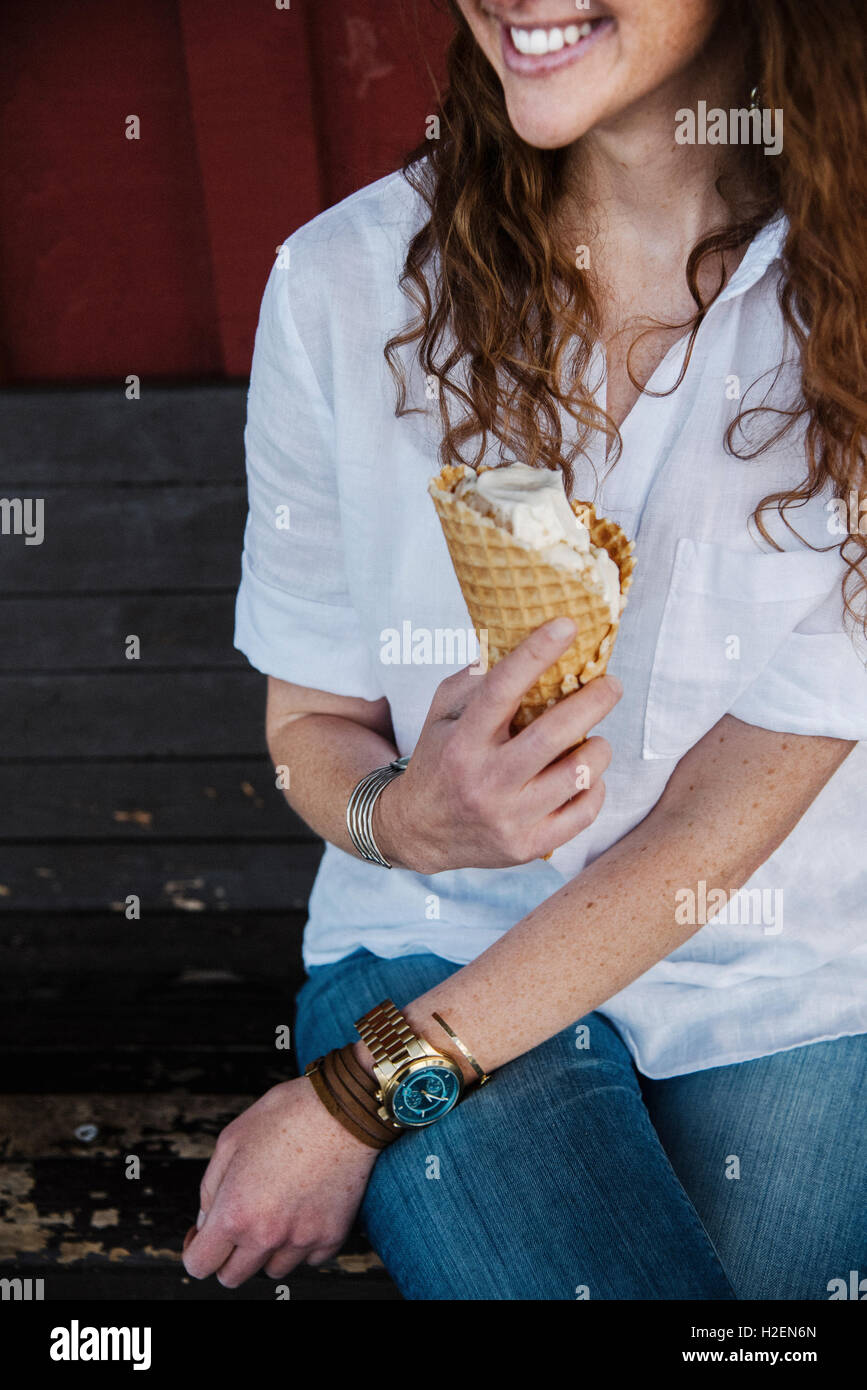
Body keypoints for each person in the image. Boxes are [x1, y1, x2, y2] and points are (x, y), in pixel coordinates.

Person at [182, 0, 867, 1299]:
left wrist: (349, 1099)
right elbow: (306, 726)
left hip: (798, 981)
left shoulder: (852, 302)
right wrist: (403, 817)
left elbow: (721, 822)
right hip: (431, 937)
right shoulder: (342, 280)